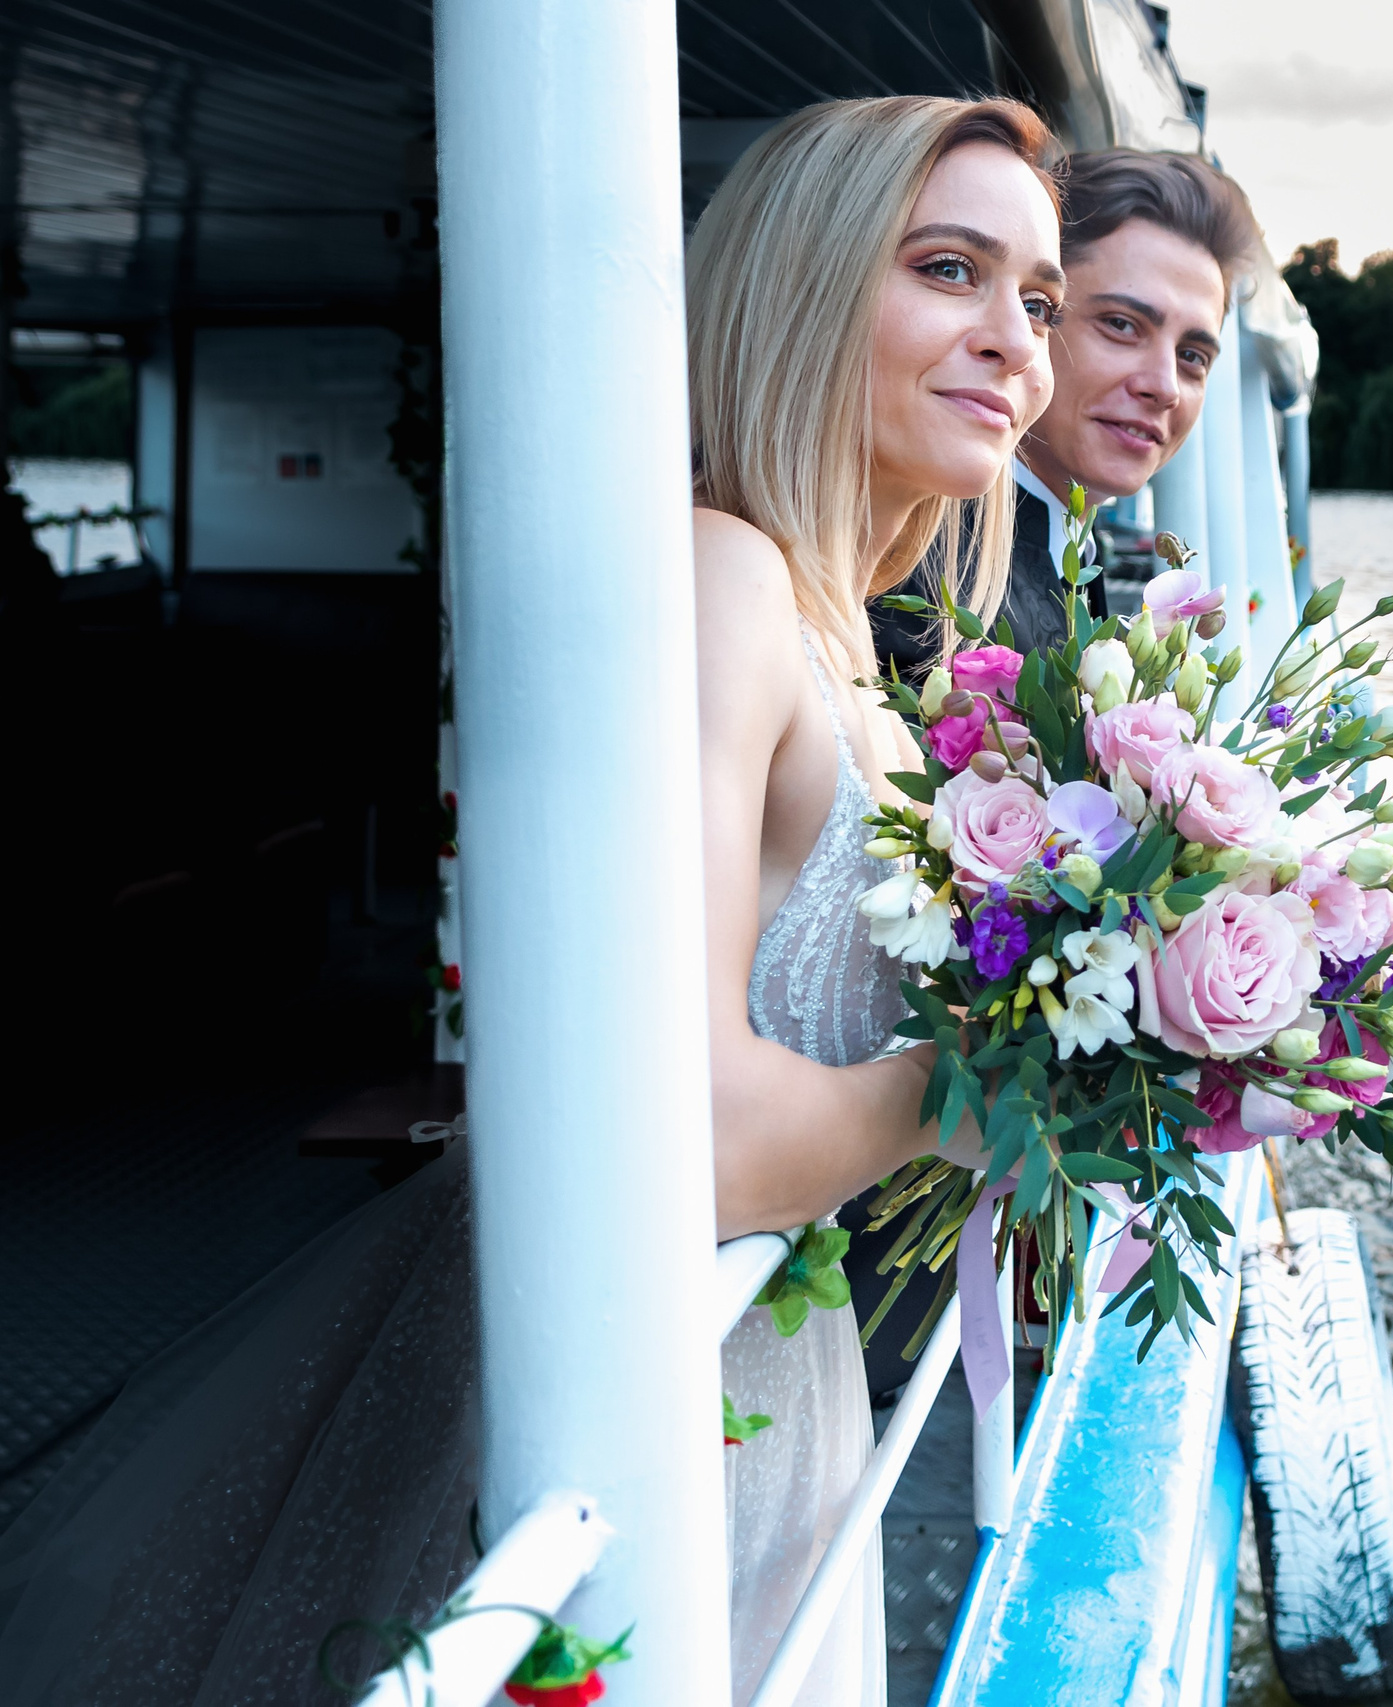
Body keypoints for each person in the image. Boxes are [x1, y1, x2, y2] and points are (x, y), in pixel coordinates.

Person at [0, 95, 1050, 1707]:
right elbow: (682, 1137)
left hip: (767, 1364)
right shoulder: (724, 578)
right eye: (951, 269)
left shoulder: (864, 653)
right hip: (646, 1390)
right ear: (808, 284)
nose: (1012, 338)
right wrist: (994, 1086)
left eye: (1036, 299)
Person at [871, 149, 1261, 683]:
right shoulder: (912, 575)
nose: (1164, 386)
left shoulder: (1066, 544)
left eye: (1192, 356)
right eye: (1122, 325)